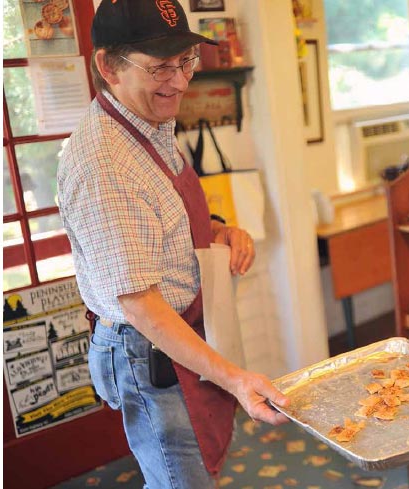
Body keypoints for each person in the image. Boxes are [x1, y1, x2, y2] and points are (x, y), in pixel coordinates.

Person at [57, 1, 289, 487]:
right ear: (107, 66)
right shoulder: (104, 164)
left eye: (186, 61)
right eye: (160, 66)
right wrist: (235, 378)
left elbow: (162, 220)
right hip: (148, 350)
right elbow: (139, 304)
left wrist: (218, 231)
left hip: (182, 333)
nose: (181, 82)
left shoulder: (151, 122)